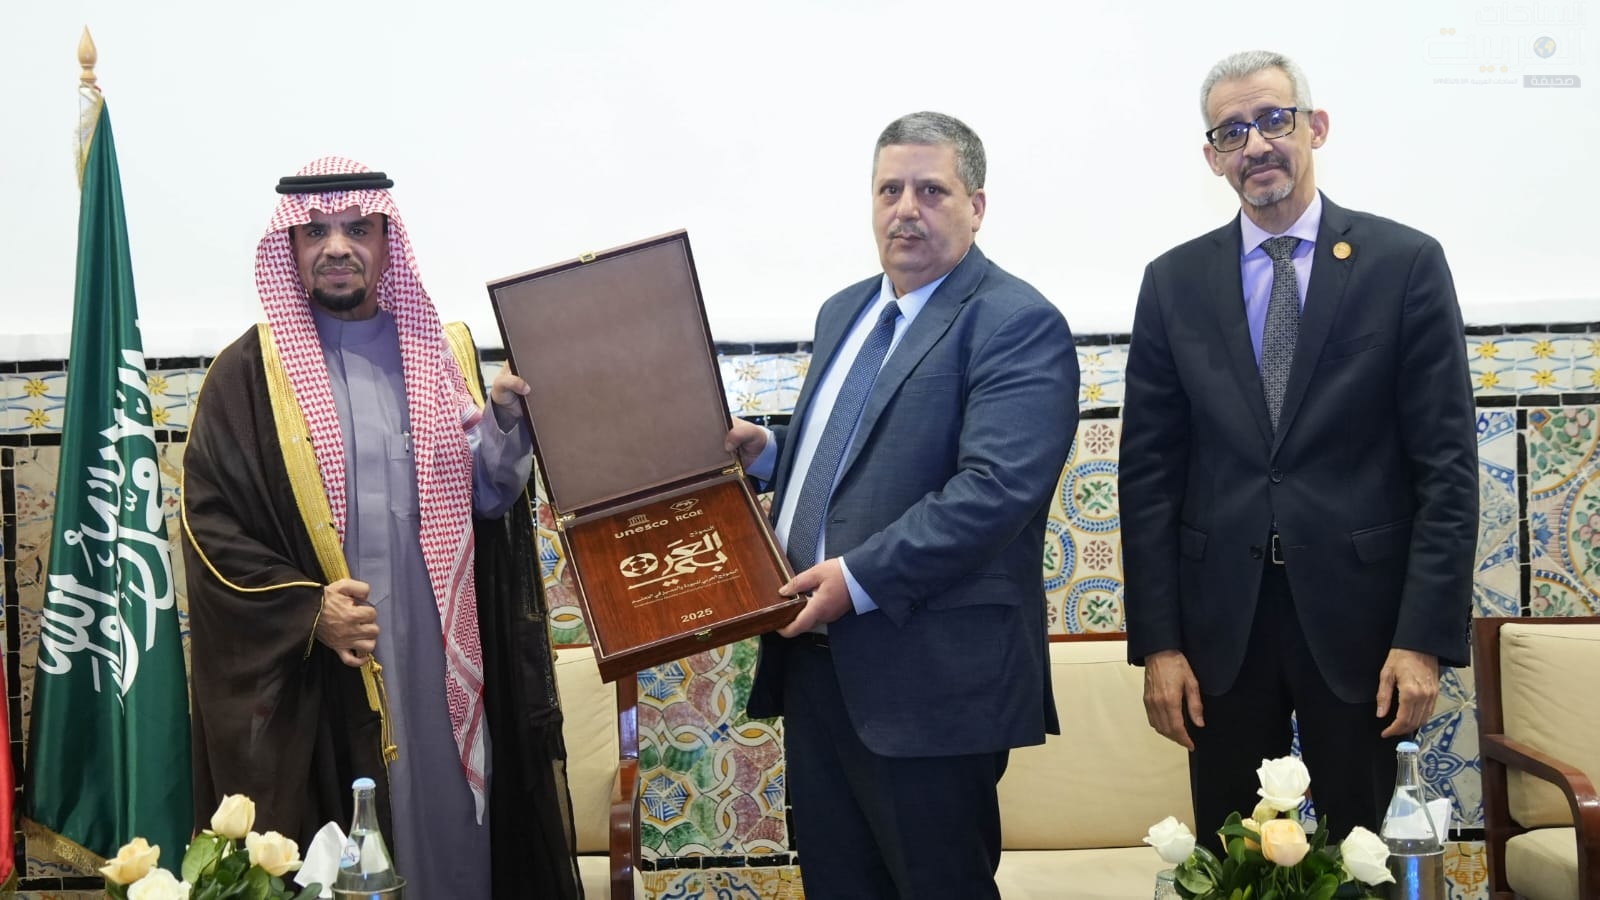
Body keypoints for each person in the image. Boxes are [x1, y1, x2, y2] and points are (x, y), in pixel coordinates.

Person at [182, 157, 580, 899]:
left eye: (356, 228)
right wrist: (309, 611)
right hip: (322, 674)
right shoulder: (247, 377)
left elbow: (487, 497)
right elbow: (211, 527)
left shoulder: (438, 352)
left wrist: (506, 423)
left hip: (439, 658)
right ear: (290, 248)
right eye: (316, 232)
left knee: (451, 833)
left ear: (385, 240)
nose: (336, 247)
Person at [1120, 51, 1478, 845]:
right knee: (1231, 859)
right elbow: (1148, 476)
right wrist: (1160, 645)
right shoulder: (1173, 283)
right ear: (1213, 157)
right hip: (1221, 630)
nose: (1256, 144)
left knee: (1366, 857)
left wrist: (1422, 639)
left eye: (1273, 120)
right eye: (1232, 132)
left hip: (1363, 628)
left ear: (1315, 127)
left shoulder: (1404, 264)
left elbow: (1448, 471)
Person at [725, 111, 1079, 900]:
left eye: (931, 191)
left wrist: (855, 580)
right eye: (889, 190)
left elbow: (995, 491)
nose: (905, 210)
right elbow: (864, 444)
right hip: (816, 668)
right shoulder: (845, 309)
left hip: (931, 682)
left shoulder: (1015, 321)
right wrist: (774, 452)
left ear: (976, 206)